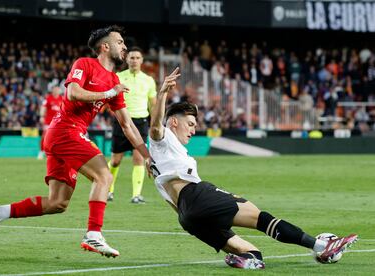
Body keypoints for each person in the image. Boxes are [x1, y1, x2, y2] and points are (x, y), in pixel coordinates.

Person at [148, 68, 358, 270]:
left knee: (252, 253)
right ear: (174, 122)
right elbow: (156, 126)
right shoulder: (164, 137)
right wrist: (163, 92)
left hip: (186, 216)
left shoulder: (162, 158)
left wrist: (186, 215)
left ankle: (249, 260)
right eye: (191, 124)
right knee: (261, 218)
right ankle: (321, 246)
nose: (193, 130)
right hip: (197, 196)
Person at [0, 25, 152, 258]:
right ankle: (94, 234)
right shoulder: (85, 64)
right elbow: (73, 92)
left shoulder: (113, 81)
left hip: (66, 136)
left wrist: (148, 155)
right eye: (120, 42)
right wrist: (108, 94)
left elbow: (127, 125)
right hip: (65, 131)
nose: (124, 46)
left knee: (58, 202)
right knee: (104, 176)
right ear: (105, 46)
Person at [108, 47, 157, 203]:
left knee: (139, 159)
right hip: (122, 120)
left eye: (137, 57)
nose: (134, 60)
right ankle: (108, 191)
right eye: (132, 57)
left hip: (141, 121)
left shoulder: (149, 80)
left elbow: (153, 104)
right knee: (116, 160)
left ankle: (136, 195)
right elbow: (110, 98)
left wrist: (155, 123)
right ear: (126, 59)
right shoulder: (118, 77)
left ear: (142, 60)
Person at [37, 86, 64, 160]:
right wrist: (42, 116)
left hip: (59, 123)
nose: (56, 91)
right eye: (54, 89)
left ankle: (57, 154)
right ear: (52, 91)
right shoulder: (48, 98)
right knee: (45, 136)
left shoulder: (62, 99)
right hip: (49, 122)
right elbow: (43, 108)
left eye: (57, 89)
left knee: (59, 139)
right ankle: (41, 152)